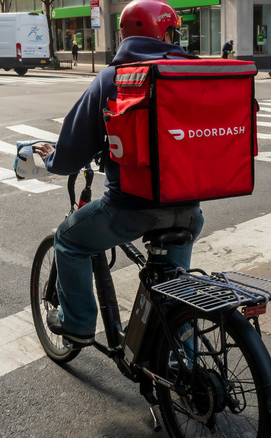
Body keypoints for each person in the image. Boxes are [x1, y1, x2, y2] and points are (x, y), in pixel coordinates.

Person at [31, 0, 204, 346]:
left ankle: (77, 322)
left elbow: (70, 153)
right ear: (166, 32)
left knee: (69, 239)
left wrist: (51, 159)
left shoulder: (115, 78)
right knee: (174, 293)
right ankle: (190, 372)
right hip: (189, 210)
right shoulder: (193, 74)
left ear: (126, 33)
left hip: (131, 210)